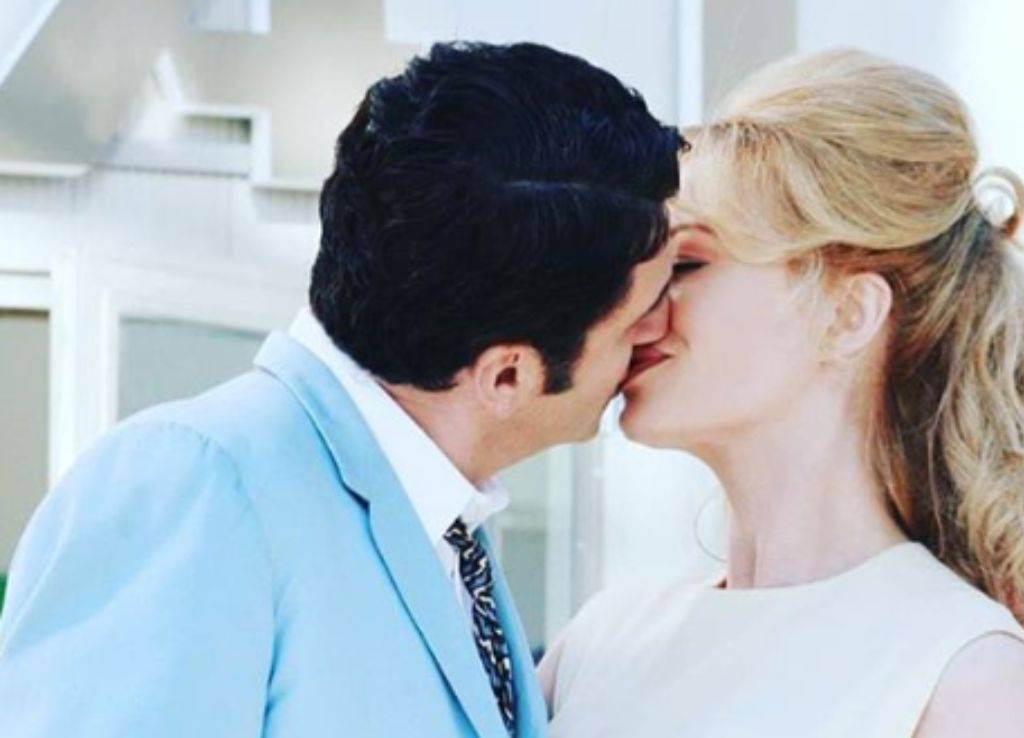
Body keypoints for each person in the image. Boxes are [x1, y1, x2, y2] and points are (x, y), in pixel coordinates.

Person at [0, 41, 683, 738]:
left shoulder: (448, 529)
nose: (665, 329)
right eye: (639, 316)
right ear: (507, 375)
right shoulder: (190, 481)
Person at [539, 49, 1024, 738]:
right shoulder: (604, 640)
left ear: (848, 314)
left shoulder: (966, 677)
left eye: (687, 264)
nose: (638, 308)